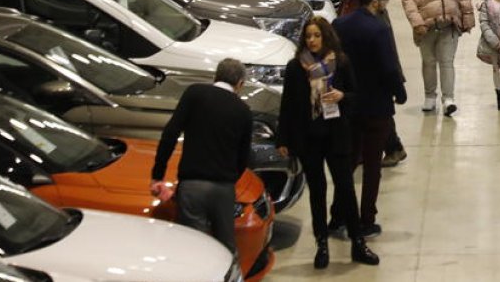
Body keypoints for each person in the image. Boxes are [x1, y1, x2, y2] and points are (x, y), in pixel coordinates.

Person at [275, 19, 380, 268]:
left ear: (326, 37)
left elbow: (356, 96)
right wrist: (283, 139)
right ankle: (321, 244)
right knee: (317, 192)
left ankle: (357, 243)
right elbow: (287, 105)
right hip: (309, 138)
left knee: (345, 188)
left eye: (317, 35)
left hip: (336, 135)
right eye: (308, 36)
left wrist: (342, 96)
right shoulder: (296, 67)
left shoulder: (340, 63)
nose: (312, 40)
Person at [150, 58, 252, 255]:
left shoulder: (195, 93)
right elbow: (243, 157)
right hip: (223, 189)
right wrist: (230, 180)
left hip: (192, 186)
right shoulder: (244, 111)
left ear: (216, 76)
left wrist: (158, 174)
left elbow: (170, 134)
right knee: (225, 249)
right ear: (240, 84)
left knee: (194, 249)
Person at [333, 0, 407, 241]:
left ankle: (338, 216)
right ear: (374, 1)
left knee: (348, 162)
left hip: (347, 104)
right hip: (375, 107)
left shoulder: (340, 24)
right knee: (372, 166)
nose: (385, 3)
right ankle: (366, 220)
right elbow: (388, 67)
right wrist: (400, 93)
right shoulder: (378, 29)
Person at [400, 0, 475, 116]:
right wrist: (417, 22)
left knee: (447, 62)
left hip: (449, 23)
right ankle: (430, 96)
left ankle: (448, 99)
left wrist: (467, 16)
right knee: (429, 62)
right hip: (426, 26)